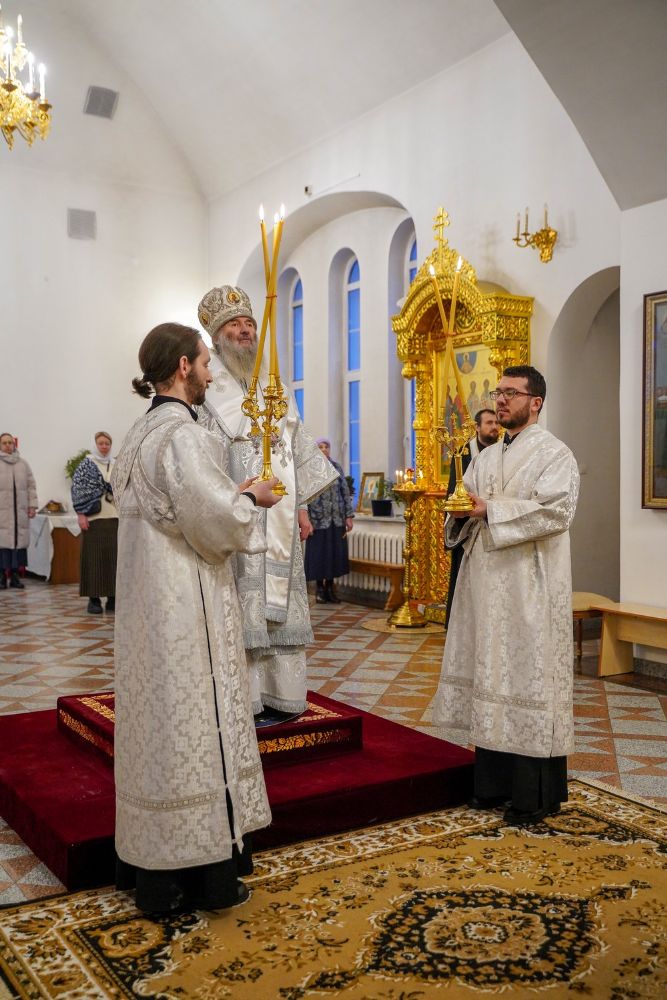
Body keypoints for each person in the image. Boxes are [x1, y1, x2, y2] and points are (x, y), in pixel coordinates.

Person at [112, 321, 281, 914]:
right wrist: (251, 498)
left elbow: (183, 504)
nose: (210, 373)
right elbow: (215, 523)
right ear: (183, 366)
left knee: (157, 731)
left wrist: (228, 493)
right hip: (186, 608)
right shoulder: (184, 433)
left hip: (145, 613)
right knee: (198, 728)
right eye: (206, 363)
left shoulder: (137, 433)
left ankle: (152, 875)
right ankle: (206, 878)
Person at [432, 366, 579, 826]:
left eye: (511, 393)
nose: (500, 400)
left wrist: (489, 510)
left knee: (526, 678)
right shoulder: (485, 457)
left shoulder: (555, 453)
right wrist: (459, 512)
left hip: (529, 585)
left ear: (535, 402)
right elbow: (463, 504)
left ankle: (534, 796)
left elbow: (557, 512)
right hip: (486, 584)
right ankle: (491, 785)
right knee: (491, 673)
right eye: (499, 392)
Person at [197, 285, 337, 717]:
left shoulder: (273, 385)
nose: (245, 330)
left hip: (281, 515)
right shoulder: (206, 389)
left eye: (249, 323)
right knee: (243, 603)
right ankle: (246, 700)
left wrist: (302, 507)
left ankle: (283, 695)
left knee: (282, 603)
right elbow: (202, 453)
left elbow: (295, 446)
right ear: (217, 336)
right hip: (237, 513)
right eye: (234, 325)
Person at [443, 409, 500, 626]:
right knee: (461, 580)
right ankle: (458, 626)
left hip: (491, 524)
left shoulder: (500, 452)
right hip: (466, 526)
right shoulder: (463, 453)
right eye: (489, 423)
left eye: (496, 423)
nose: (494, 427)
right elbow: (454, 492)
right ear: (477, 427)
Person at [71, 433, 118, 614]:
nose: (104, 446)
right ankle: (94, 600)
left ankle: (113, 598)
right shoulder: (86, 465)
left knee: (114, 561)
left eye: (107, 443)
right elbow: (77, 491)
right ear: (95, 445)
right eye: (101, 443)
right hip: (93, 519)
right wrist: (81, 515)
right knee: (93, 560)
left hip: (115, 518)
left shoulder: (117, 464)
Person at [304, 438, 354, 603]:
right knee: (320, 555)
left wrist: (348, 516)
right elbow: (306, 496)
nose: (324, 449)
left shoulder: (337, 467)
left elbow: (345, 492)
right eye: (320, 447)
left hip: (336, 520)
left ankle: (330, 588)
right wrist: (307, 520)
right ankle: (319, 589)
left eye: (326, 446)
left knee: (334, 555)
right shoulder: (310, 469)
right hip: (318, 521)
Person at [0, 433, 38, 589]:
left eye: (10, 442)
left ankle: (15, 576)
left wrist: (32, 506)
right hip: (3, 512)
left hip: (19, 512)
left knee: (19, 543)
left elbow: (31, 486)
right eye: (4, 443)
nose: (8, 445)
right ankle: (2, 576)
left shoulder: (23, 464)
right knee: (3, 544)